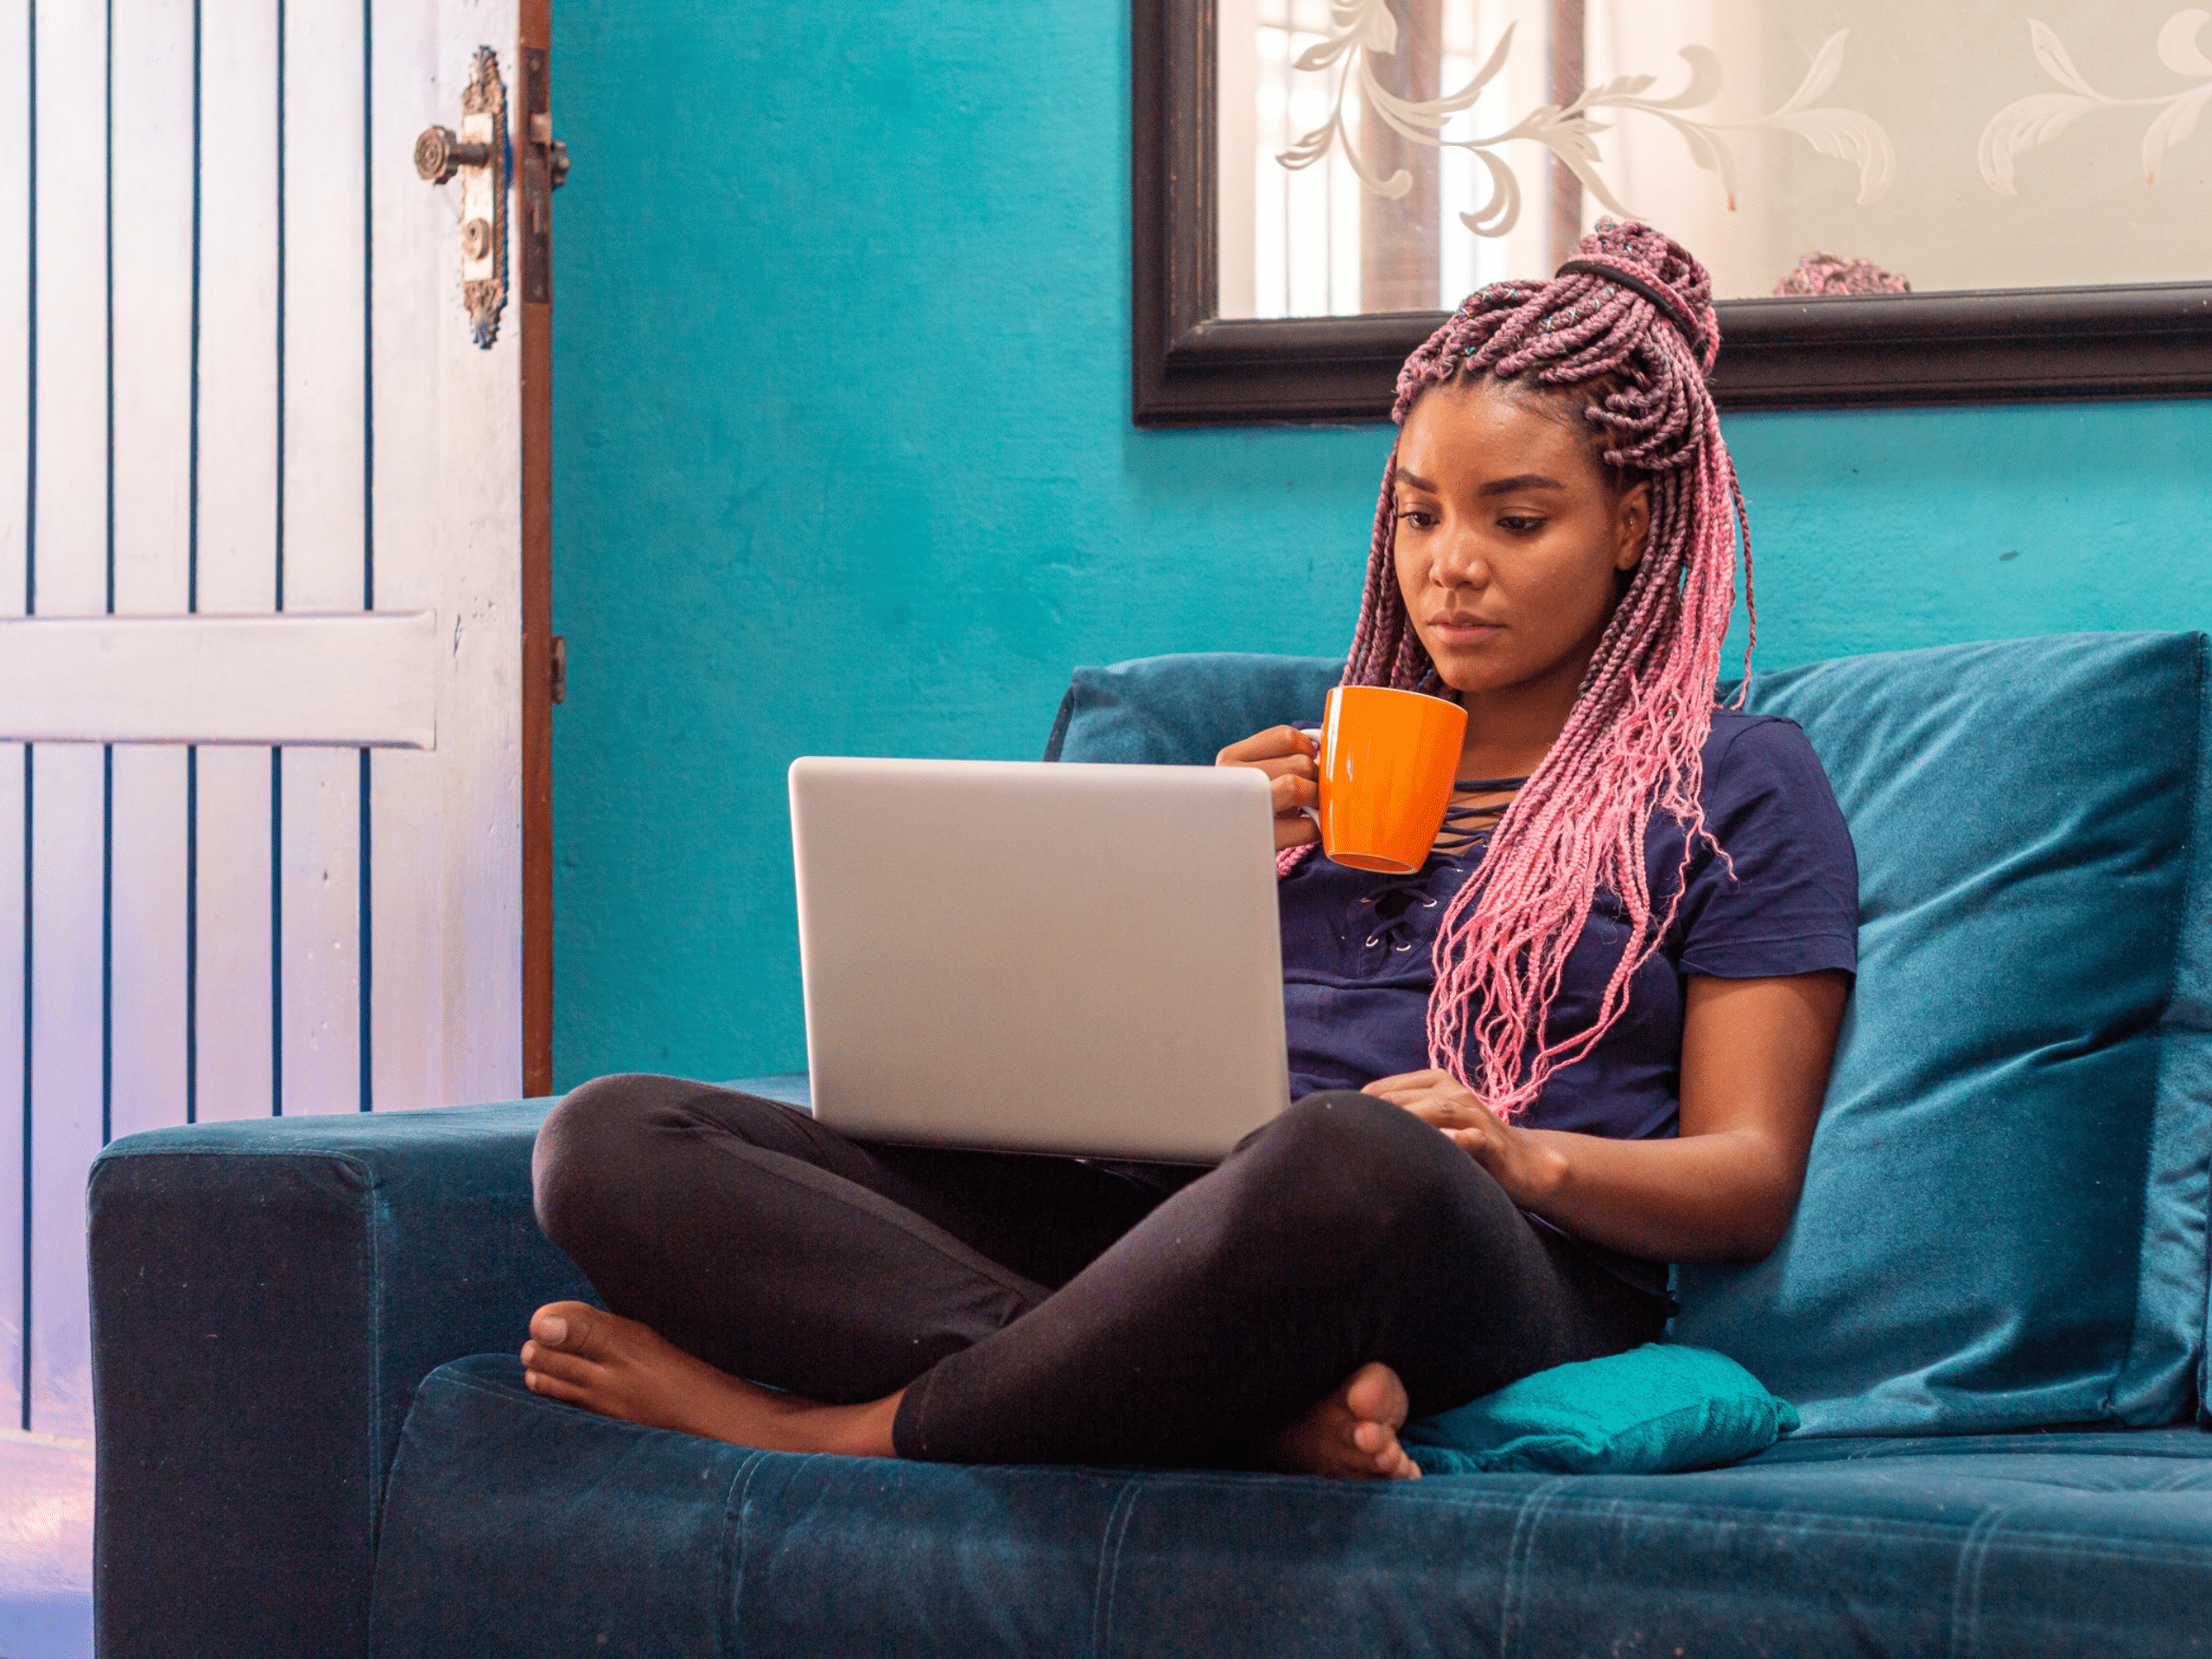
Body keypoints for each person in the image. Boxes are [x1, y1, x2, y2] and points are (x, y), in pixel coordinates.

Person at [518, 222, 1858, 1481]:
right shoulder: (1294, 773)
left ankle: (841, 1433)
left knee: (1347, 1155)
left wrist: (1516, 1154)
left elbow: (1747, 1176)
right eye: (1418, 515)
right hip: (1177, 1226)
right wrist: (1189, 864)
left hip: (1483, 1250)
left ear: (1631, 529)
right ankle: (1201, 1405)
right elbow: (1069, 1078)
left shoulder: (1736, 782)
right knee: (613, 1136)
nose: (1450, 567)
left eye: (1515, 521)